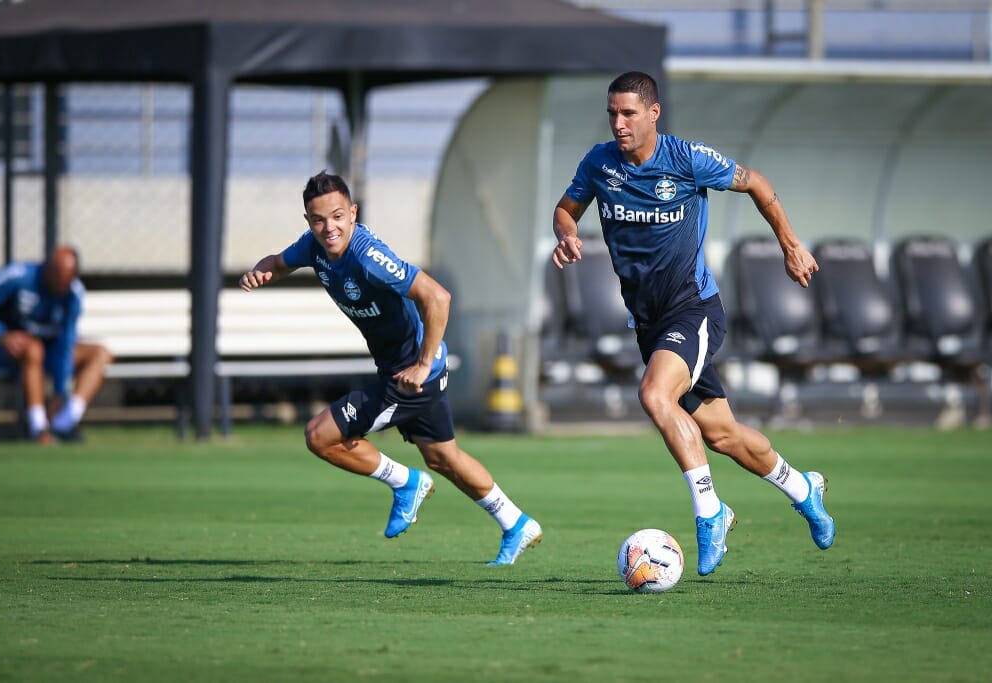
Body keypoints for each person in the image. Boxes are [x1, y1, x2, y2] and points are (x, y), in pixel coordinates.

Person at [551, 71, 834, 576]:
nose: (618, 123)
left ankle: (710, 513)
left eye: (629, 113)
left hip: (693, 308)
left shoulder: (686, 159)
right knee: (723, 435)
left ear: (653, 114)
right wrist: (567, 233)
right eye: (612, 113)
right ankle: (802, 487)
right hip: (649, 322)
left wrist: (791, 246)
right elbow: (565, 209)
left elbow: (756, 183)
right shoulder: (599, 163)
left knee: (655, 397)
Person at [239, 170, 542, 565]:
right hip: (401, 371)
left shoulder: (368, 257)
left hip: (410, 377)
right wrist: (262, 271)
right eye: (318, 219)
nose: (328, 227)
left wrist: (421, 363)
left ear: (353, 213)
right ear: (308, 222)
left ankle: (405, 482)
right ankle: (516, 522)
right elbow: (279, 262)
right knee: (443, 457)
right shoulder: (313, 248)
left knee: (319, 436)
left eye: (337, 217)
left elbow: (438, 297)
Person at [0, 246, 113, 444]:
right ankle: (38, 428)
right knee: (33, 348)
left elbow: (66, 342)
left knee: (100, 353)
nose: (60, 285)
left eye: (66, 280)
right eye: (57, 276)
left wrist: (60, 391)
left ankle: (64, 424)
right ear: (47, 267)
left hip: (48, 354)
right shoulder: (18, 276)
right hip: (6, 351)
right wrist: (1, 335)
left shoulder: (73, 294)